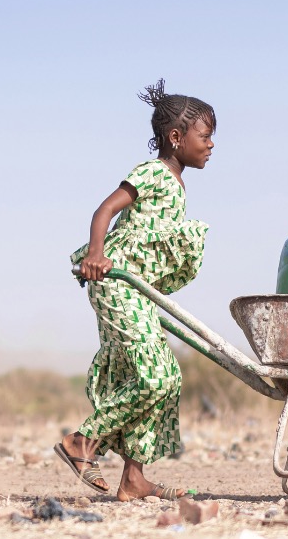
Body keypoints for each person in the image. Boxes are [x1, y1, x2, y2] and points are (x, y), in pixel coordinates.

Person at [54, 79, 215, 501]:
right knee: (156, 377)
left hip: (136, 291)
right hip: (116, 283)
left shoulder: (177, 185)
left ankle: (134, 478)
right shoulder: (152, 173)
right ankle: (82, 443)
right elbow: (104, 209)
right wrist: (95, 253)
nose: (212, 144)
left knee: (158, 378)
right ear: (176, 138)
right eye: (206, 135)